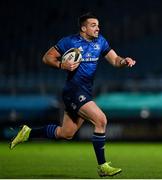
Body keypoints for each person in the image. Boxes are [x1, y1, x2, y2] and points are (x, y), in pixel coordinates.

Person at [10, 12, 136, 177]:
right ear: (83, 28)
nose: (97, 28)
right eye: (93, 25)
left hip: (86, 92)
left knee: (66, 133)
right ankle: (102, 166)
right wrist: (63, 65)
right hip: (74, 91)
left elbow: (114, 60)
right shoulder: (69, 41)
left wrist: (124, 61)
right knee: (101, 119)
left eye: (98, 25)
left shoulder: (101, 42)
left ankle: (28, 133)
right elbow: (47, 58)